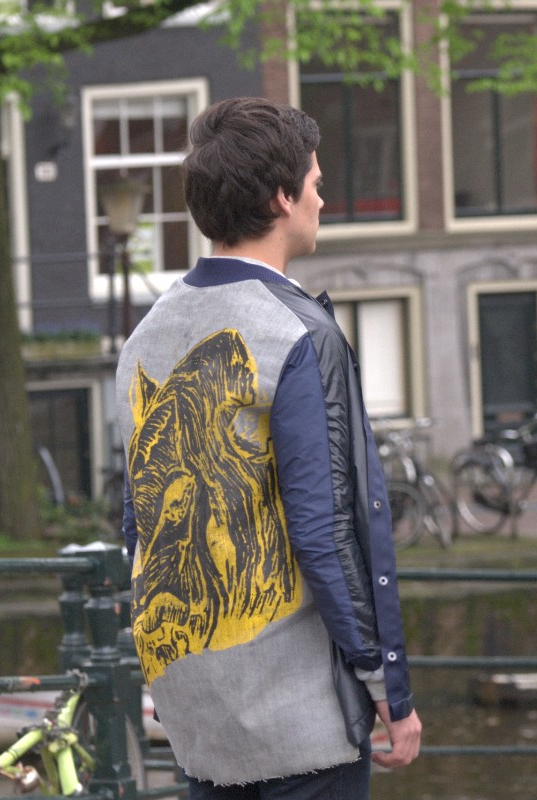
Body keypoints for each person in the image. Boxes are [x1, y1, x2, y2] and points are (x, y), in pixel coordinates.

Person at [113, 97, 421, 798]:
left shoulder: (145, 337)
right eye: (315, 182)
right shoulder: (298, 333)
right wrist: (389, 688)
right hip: (301, 721)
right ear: (283, 197)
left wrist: (170, 670)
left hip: (197, 712)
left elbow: (141, 525)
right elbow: (325, 530)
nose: (322, 198)